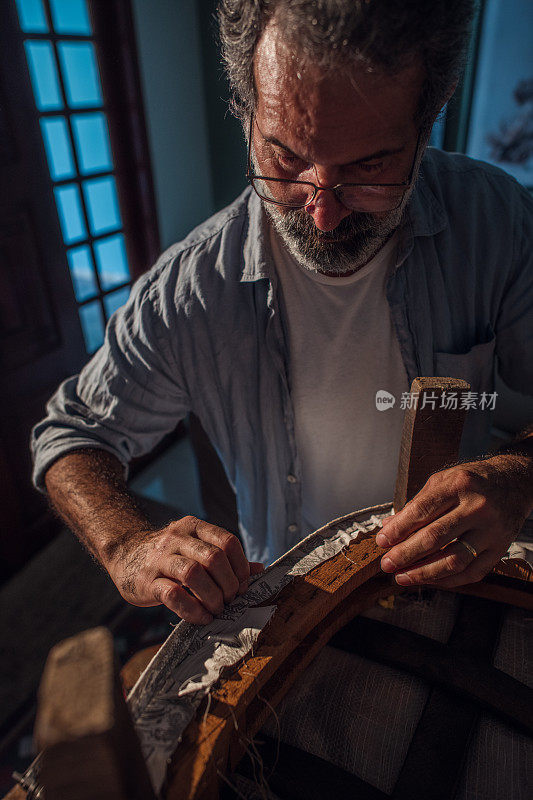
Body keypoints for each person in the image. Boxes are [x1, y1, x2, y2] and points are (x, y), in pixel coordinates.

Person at [32, 0, 533, 625]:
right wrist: (129, 547)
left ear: (429, 122)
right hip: (284, 606)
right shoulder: (189, 292)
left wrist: (517, 476)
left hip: (460, 586)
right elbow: (72, 435)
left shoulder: (499, 224)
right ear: (247, 117)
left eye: (368, 167)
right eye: (285, 158)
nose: (321, 211)